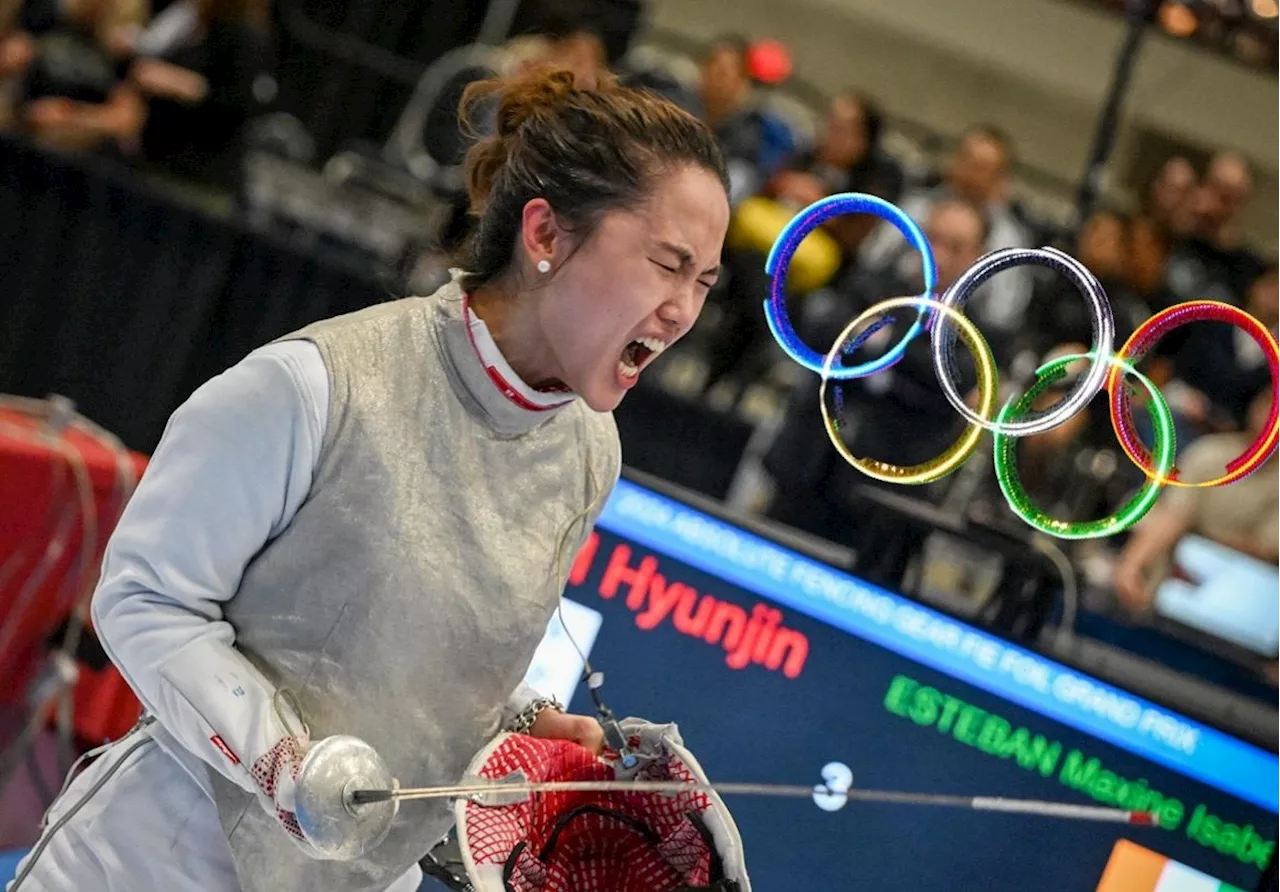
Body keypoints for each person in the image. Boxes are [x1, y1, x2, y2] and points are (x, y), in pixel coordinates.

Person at [8, 67, 731, 892]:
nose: (683, 310)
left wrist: (529, 726)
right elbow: (143, 598)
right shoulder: (318, 385)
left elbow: (418, 654)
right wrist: (283, 762)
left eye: (703, 283)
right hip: (153, 863)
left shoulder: (589, 451)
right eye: (668, 264)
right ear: (546, 236)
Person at [1112, 386, 1280, 616]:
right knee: (1153, 528)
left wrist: (1198, 537)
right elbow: (1173, 515)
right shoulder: (1211, 452)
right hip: (1179, 572)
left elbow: (1267, 550)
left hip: (1249, 594)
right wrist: (1131, 566)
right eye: (1270, 406)